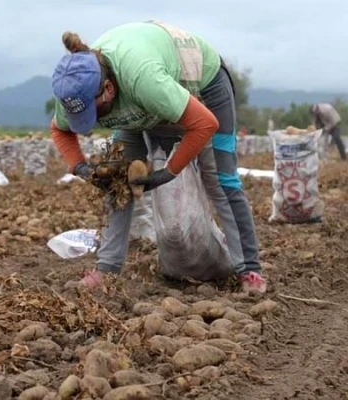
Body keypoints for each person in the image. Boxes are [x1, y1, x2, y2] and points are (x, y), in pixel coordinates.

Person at [49, 20, 267, 293]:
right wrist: (81, 168)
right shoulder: (73, 89)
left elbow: (204, 124)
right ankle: (106, 270)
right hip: (145, 102)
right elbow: (59, 130)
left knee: (221, 179)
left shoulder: (144, 79)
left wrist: (168, 172)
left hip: (203, 83)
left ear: (108, 89)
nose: (91, 120)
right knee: (119, 182)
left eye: (96, 111)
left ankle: (249, 270)